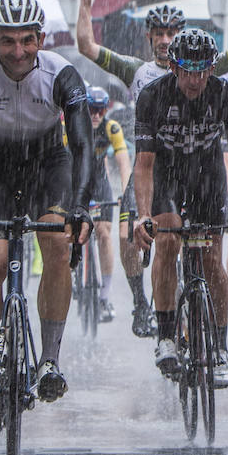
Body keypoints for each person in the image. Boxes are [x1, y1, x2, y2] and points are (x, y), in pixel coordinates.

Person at [75, 0, 228, 338]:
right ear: (149, 37)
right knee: (132, 234)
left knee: (206, 250)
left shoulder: (203, 67)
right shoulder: (137, 71)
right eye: (158, 33)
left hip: (200, 163)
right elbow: (86, 45)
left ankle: (210, 330)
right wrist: (85, 4)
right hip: (153, 160)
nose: (164, 39)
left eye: (171, 32)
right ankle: (139, 302)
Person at [0, 0, 94, 411]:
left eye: (27, 41)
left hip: (46, 162)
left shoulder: (62, 74)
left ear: (41, 38)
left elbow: (83, 146)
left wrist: (81, 204)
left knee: (58, 248)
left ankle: (49, 360)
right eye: (7, 41)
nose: (17, 52)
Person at [131, 28, 228, 388]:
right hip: (167, 175)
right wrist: (144, 215)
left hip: (207, 177)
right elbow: (143, 164)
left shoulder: (224, 94)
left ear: (212, 68)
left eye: (203, 70)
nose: (195, 79)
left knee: (210, 258)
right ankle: (167, 334)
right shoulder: (152, 96)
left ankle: (218, 347)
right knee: (168, 240)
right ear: (173, 67)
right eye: (187, 71)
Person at [86, 86, 131, 323]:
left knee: (104, 234)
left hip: (99, 182)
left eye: (101, 110)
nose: (96, 115)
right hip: (77, 181)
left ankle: (104, 295)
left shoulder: (111, 127)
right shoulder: (73, 126)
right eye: (92, 110)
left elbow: (124, 162)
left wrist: (126, 193)